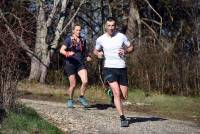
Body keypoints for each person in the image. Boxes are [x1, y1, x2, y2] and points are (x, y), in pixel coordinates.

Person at [93, 17, 134, 127]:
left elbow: (131, 48)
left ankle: (111, 93)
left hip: (121, 68)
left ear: (115, 26)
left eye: (113, 26)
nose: (111, 28)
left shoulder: (121, 36)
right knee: (117, 92)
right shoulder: (100, 39)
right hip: (109, 68)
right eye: (109, 26)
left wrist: (125, 51)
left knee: (124, 96)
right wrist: (98, 54)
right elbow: (95, 50)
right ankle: (122, 117)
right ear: (105, 26)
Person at [60, 23, 92, 108]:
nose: (78, 31)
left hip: (80, 64)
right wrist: (67, 53)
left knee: (85, 81)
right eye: (77, 30)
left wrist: (88, 56)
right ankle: (70, 100)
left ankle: (81, 97)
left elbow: (84, 51)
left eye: (79, 30)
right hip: (70, 64)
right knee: (73, 85)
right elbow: (61, 50)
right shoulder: (68, 40)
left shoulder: (83, 40)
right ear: (73, 31)